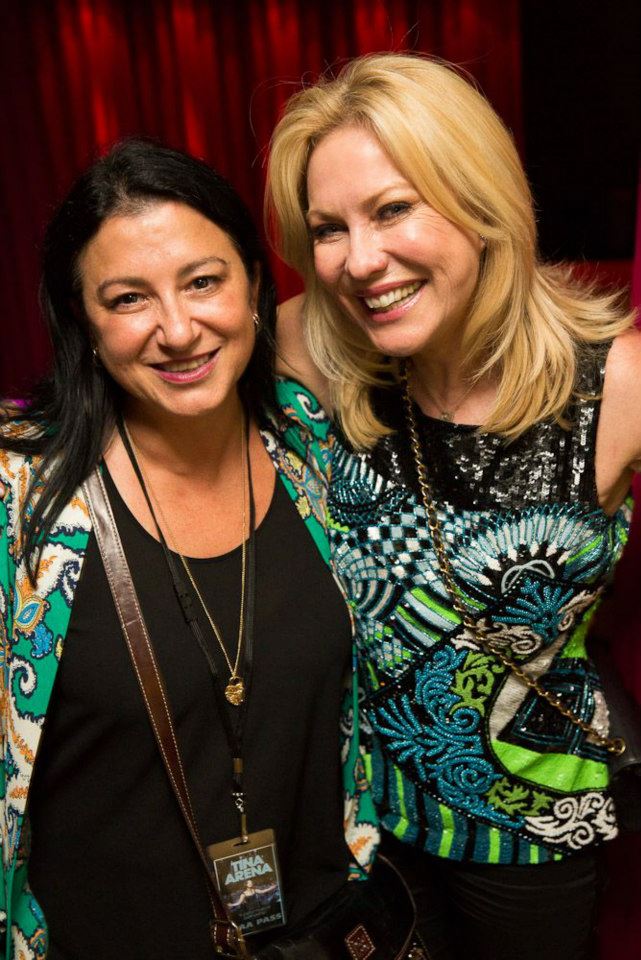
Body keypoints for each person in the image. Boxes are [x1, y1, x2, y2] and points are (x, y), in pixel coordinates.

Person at [266, 53, 641, 960]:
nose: (360, 261)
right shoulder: (309, 347)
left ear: (480, 203)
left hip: (531, 832)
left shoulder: (616, 385)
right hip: (361, 826)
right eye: (328, 229)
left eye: (393, 208)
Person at [0, 139, 378, 960]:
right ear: (83, 322)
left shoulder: (310, 444)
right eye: (128, 298)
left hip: (315, 932)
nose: (177, 330)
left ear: (253, 285)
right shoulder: (18, 496)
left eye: (203, 281)